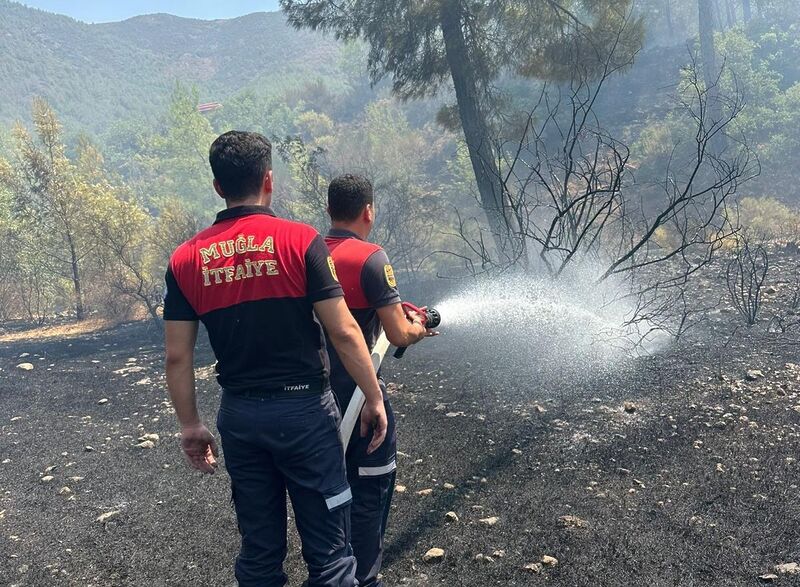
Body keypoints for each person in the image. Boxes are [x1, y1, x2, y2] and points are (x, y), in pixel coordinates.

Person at [162, 132, 388, 587]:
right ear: (269, 180)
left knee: (260, 553)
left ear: (217, 186)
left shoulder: (186, 259)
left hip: (241, 417)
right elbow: (343, 331)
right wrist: (373, 396)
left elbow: (177, 356)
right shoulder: (300, 241)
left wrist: (190, 425)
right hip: (305, 413)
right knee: (329, 553)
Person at [323, 174, 434, 587]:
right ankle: (364, 578)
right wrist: (418, 326)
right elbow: (399, 334)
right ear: (368, 211)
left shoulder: (310, 254)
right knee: (370, 492)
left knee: (330, 498)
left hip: (317, 402)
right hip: (361, 399)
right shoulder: (370, 257)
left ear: (330, 210)